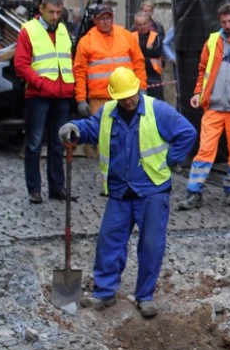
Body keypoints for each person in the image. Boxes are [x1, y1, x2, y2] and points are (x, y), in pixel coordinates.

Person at [58, 67, 197, 315]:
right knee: (109, 240)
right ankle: (104, 292)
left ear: (137, 88)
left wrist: (171, 160)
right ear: (114, 96)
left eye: (131, 94)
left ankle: (145, 296)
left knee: (151, 244)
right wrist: (74, 128)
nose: (128, 100)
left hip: (152, 190)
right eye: (123, 97)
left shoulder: (158, 110)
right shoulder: (109, 112)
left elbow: (187, 132)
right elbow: (91, 128)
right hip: (120, 191)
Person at [179, 2, 230, 208]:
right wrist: (198, 92)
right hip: (214, 107)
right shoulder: (213, 41)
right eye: (224, 21)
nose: (227, 25)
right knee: (205, 150)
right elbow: (202, 70)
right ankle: (193, 193)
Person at [13, 0, 75, 204]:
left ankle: (56, 187)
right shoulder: (29, 30)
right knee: (34, 144)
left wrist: (70, 85)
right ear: (41, 9)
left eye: (58, 12)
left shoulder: (63, 30)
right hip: (38, 96)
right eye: (51, 12)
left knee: (59, 143)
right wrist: (41, 83)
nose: (55, 16)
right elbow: (21, 65)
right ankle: (34, 189)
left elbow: (68, 59)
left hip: (61, 95)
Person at [73, 4, 147, 115]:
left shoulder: (126, 36)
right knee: (102, 131)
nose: (106, 22)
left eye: (108, 18)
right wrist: (81, 100)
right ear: (94, 20)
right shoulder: (86, 41)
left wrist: (142, 88)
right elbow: (79, 72)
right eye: (102, 18)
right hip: (100, 99)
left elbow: (138, 64)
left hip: (127, 95)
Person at [132, 10, 164, 99]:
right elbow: (130, 54)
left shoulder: (156, 36)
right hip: (136, 75)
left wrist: (140, 53)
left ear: (149, 24)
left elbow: (156, 52)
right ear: (135, 25)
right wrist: (147, 51)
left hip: (153, 75)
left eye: (144, 24)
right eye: (139, 24)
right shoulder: (130, 36)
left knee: (156, 103)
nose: (142, 27)